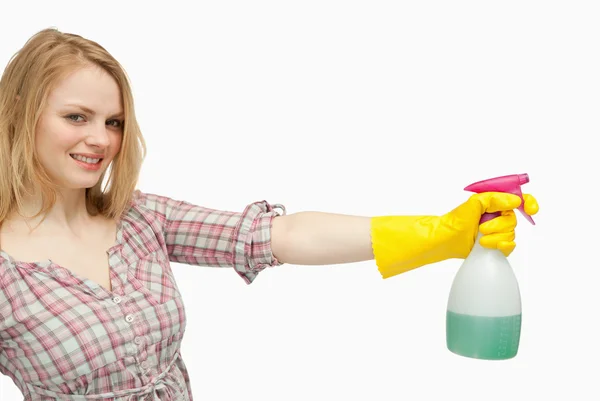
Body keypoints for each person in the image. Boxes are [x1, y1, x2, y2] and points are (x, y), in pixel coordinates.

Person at [0, 28, 539, 400]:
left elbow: (279, 236)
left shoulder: (139, 219)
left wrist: (439, 231)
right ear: (23, 116)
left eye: (114, 122)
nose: (100, 139)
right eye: (77, 116)